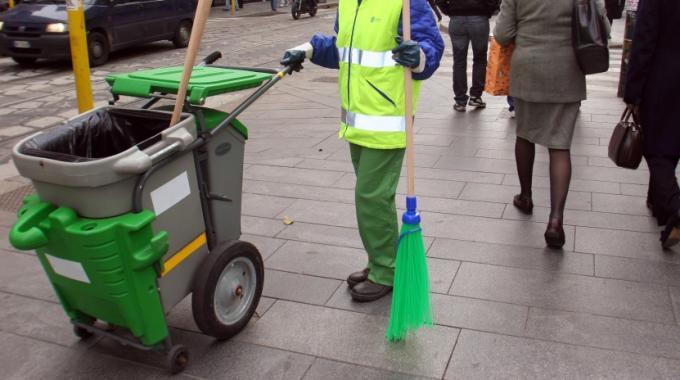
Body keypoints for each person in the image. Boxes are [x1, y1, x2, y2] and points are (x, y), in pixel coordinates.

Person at [280, 0, 444, 302]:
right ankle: (378, 260)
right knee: (373, 200)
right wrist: (308, 49)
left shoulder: (406, 3)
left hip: (388, 120)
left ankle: (386, 270)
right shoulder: (349, 3)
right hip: (357, 120)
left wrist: (418, 57)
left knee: (370, 196)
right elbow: (342, 49)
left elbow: (431, 49)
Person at [494, 0, 609, 249]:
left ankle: (525, 196)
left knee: (524, 135)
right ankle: (556, 220)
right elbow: (604, 29)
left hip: (528, 69)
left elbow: (502, 34)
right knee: (560, 146)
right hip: (568, 71)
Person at [624, 0, 680, 248]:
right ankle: (661, 205)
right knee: (672, 140)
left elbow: (644, 41)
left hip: (664, 76)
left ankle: (674, 206)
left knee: (657, 147)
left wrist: (633, 91)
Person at [437, 0, 499, 112]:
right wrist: (487, 12)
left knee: (459, 60)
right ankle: (475, 96)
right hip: (479, 18)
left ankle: (460, 100)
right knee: (480, 59)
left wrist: (450, 11)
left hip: (457, 19)